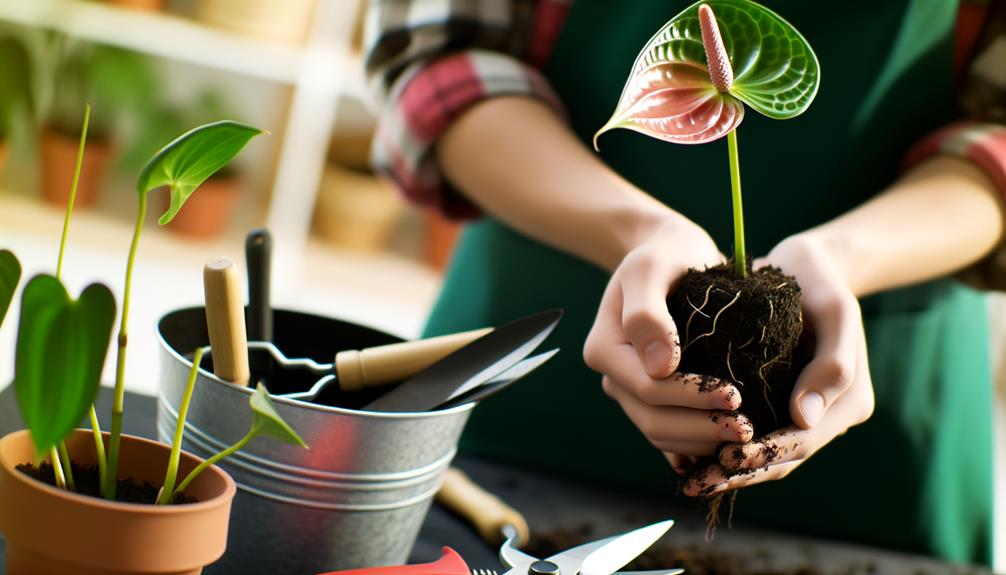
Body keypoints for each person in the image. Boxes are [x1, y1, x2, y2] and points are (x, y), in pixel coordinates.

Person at [364, 0, 1006, 566]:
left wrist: (841, 258)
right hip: (528, 383)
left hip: (881, 442)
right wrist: (639, 231)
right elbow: (436, 59)